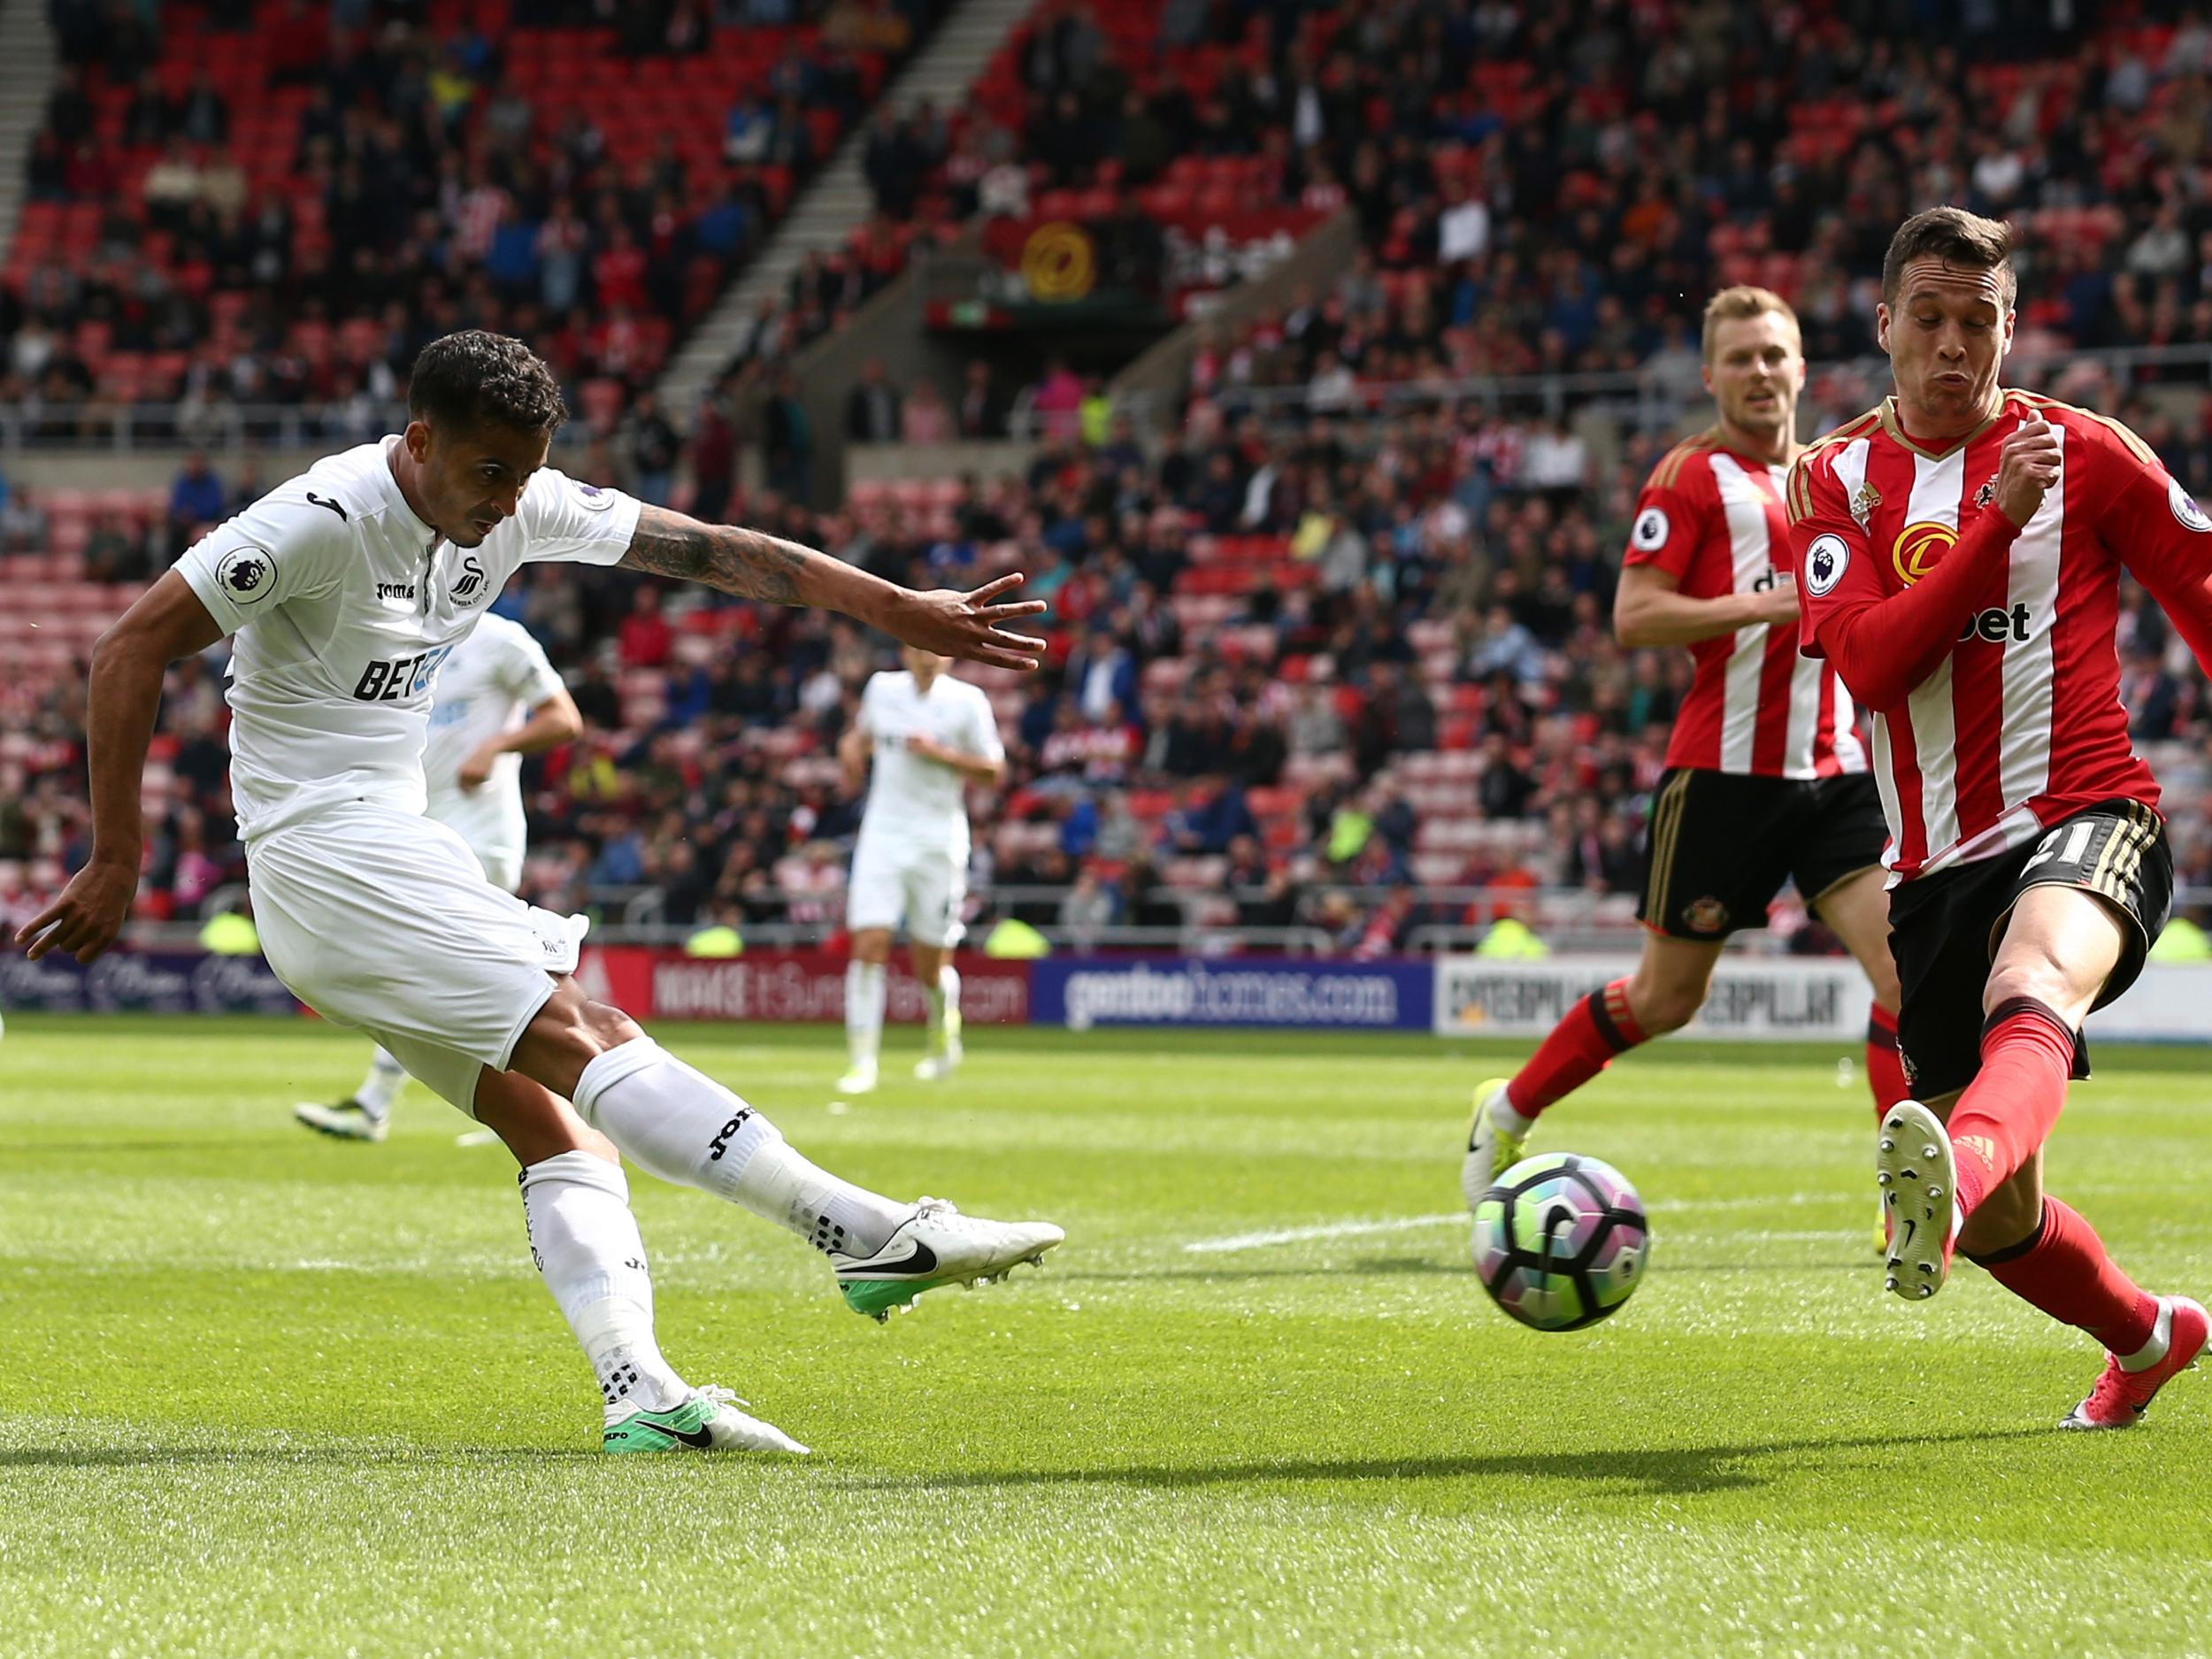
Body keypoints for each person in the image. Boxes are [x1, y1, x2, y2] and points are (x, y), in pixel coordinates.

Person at [16, 331, 1063, 1457]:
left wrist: (894, 607)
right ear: (418, 443)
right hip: (327, 853)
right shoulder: (319, 518)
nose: (507, 501)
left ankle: (641, 1394)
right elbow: (127, 649)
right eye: (486, 474)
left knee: (560, 1131)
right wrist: (116, 858)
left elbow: (713, 550)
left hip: (363, 866)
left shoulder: (518, 503)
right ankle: (862, 1233)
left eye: (524, 473)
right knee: (591, 1030)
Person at [1790, 206, 2209, 1428]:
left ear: (2012, 330)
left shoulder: (2093, 454)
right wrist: (1993, 532)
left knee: (2034, 973)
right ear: (1884, 328)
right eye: (1929, 317)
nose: (1955, 342)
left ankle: (1949, 1173)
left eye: (1981, 319)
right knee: (2015, 1227)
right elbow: (1869, 663)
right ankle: (2151, 1331)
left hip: (2089, 810)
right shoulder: (1835, 479)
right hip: (1929, 871)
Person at [1463, 288, 1905, 1236]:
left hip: (1834, 772)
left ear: (1799, 368)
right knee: (1667, 998)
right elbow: (1635, 615)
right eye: (1739, 358)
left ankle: (1897, 1193)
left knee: (1903, 974)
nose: (1758, 373)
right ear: (1709, 376)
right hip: (1721, 776)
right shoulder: (1689, 478)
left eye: (1773, 355)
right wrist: (1772, 603)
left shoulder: (1833, 474)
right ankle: (1510, 1110)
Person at [295, 612, 581, 1142]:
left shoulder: (500, 639)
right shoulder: (400, 635)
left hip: (481, 831)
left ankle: (375, 1104)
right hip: (418, 830)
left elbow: (564, 719)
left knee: (434, 964)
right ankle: (548, 1097)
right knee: (456, 969)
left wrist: (494, 747)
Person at [835, 644, 1005, 1094]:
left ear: (951, 656)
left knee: (930, 966)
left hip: (938, 841)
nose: (927, 655)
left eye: (936, 647)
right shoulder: (881, 688)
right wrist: (850, 749)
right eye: (918, 645)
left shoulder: (968, 701)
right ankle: (861, 1063)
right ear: (904, 649)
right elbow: (862, 735)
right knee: (870, 943)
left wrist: (941, 754)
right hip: (882, 835)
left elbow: (993, 771)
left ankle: (943, 1035)